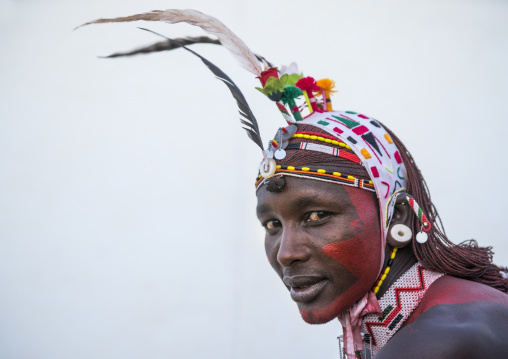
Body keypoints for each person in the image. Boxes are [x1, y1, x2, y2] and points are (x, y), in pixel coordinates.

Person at [80, 9, 508, 358]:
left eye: (317, 215)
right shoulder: (408, 318)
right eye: (272, 225)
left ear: (396, 214)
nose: (286, 253)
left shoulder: (447, 337)